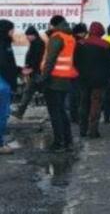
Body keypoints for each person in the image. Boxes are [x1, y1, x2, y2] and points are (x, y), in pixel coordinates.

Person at [42, 15, 78, 152]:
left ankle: (59, 143)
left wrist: (43, 78)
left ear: (53, 25)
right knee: (61, 111)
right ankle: (68, 141)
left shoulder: (57, 37)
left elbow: (50, 60)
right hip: (65, 79)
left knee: (55, 113)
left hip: (54, 79)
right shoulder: (69, 37)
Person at [74, 22, 110, 138]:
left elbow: (75, 61)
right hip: (100, 80)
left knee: (84, 103)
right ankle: (93, 130)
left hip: (83, 79)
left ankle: (83, 129)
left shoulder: (81, 44)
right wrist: (107, 75)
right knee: (95, 104)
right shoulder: (106, 45)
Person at [14, 26, 45, 119]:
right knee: (28, 91)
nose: (27, 37)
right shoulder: (35, 43)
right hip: (34, 72)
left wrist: (31, 68)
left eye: (28, 35)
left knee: (43, 92)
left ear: (33, 35)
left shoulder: (38, 44)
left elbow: (37, 59)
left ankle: (20, 112)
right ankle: (20, 112)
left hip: (37, 73)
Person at [0, 20, 18, 155]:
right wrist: (13, 82)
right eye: (12, 30)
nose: (13, 32)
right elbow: (6, 65)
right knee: (2, 115)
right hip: (3, 83)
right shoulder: (4, 44)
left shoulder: (6, 43)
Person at [68, 23, 88, 124]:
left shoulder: (70, 41)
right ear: (80, 33)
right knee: (78, 96)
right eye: (84, 32)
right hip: (78, 73)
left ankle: (73, 116)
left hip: (70, 72)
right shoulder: (80, 43)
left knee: (72, 95)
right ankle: (77, 117)